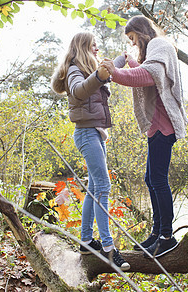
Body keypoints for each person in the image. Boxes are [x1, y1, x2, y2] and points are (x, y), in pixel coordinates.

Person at [100, 16, 188, 258]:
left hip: (164, 125)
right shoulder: (153, 50)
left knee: (158, 180)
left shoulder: (160, 45)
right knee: (151, 178)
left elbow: (149, 77)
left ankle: (167, 237)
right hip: (156, 127)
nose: (133, 43)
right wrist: (128, 64)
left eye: (133, 38)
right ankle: (157, 232)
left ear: (141, 32)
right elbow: (143, 73)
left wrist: (115, 72)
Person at [51, 32, 130, 271]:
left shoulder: (86, 69)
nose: (97, 48)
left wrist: (122, 59)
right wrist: (99, 75)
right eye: (94, 45)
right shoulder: (75, 70)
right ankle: (108, 248)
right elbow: (79, 91)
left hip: (95, 133)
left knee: (95, 188)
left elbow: (104, 72)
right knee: (103, 187)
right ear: (84, 47)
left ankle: (86, 241)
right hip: (86, 134)